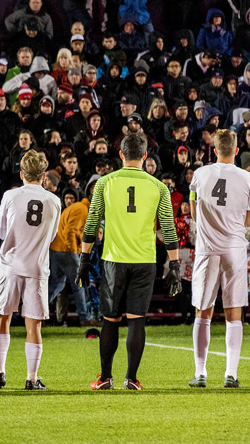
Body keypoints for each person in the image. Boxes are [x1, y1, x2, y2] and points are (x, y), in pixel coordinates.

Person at [82, 132, 179, 390]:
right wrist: (175, 265)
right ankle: (131, 378)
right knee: (137, 319)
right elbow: (169, 229)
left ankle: (105, 378)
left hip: (114, 259)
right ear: (145, 156)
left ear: (121, 155)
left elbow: (91, 224)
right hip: (145, 260)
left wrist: (83, 258)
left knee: (110, 319)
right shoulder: (158, 187)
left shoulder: (105, 183)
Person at [186, 129, 250, 389]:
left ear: (214, 150)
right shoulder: (248, 178)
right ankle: (231, 373)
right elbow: (249, 219)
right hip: (235, 249)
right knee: (233, 310)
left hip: (207, 248)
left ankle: (200, 373)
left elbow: (193, 211)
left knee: (202, 311)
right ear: (236, 150)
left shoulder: (200, 174)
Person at [0, 150, 61, 391]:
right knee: (34, 325)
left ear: (21, 174)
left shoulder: (10, 196)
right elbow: (51, 236)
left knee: (3, 317)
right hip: (37, 266)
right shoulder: (54, 200)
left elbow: (1, 231)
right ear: (43, 177)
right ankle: (31, 378)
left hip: (11, 264)